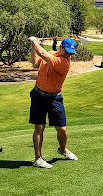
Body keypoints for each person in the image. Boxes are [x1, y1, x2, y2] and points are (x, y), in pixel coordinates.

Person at [28, 36, 78, 169]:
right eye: (67, 52)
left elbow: (42, 54)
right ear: (61, 47)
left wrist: (34, 41)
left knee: (62, 129)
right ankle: (38, 159)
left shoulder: (64, 63)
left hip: (55, 97)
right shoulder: (51, 54)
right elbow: (35, 63)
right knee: (39, 127)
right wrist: (34, 46)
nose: (69, 55)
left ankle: (62, 149)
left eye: (71, 53)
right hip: (39, 95)